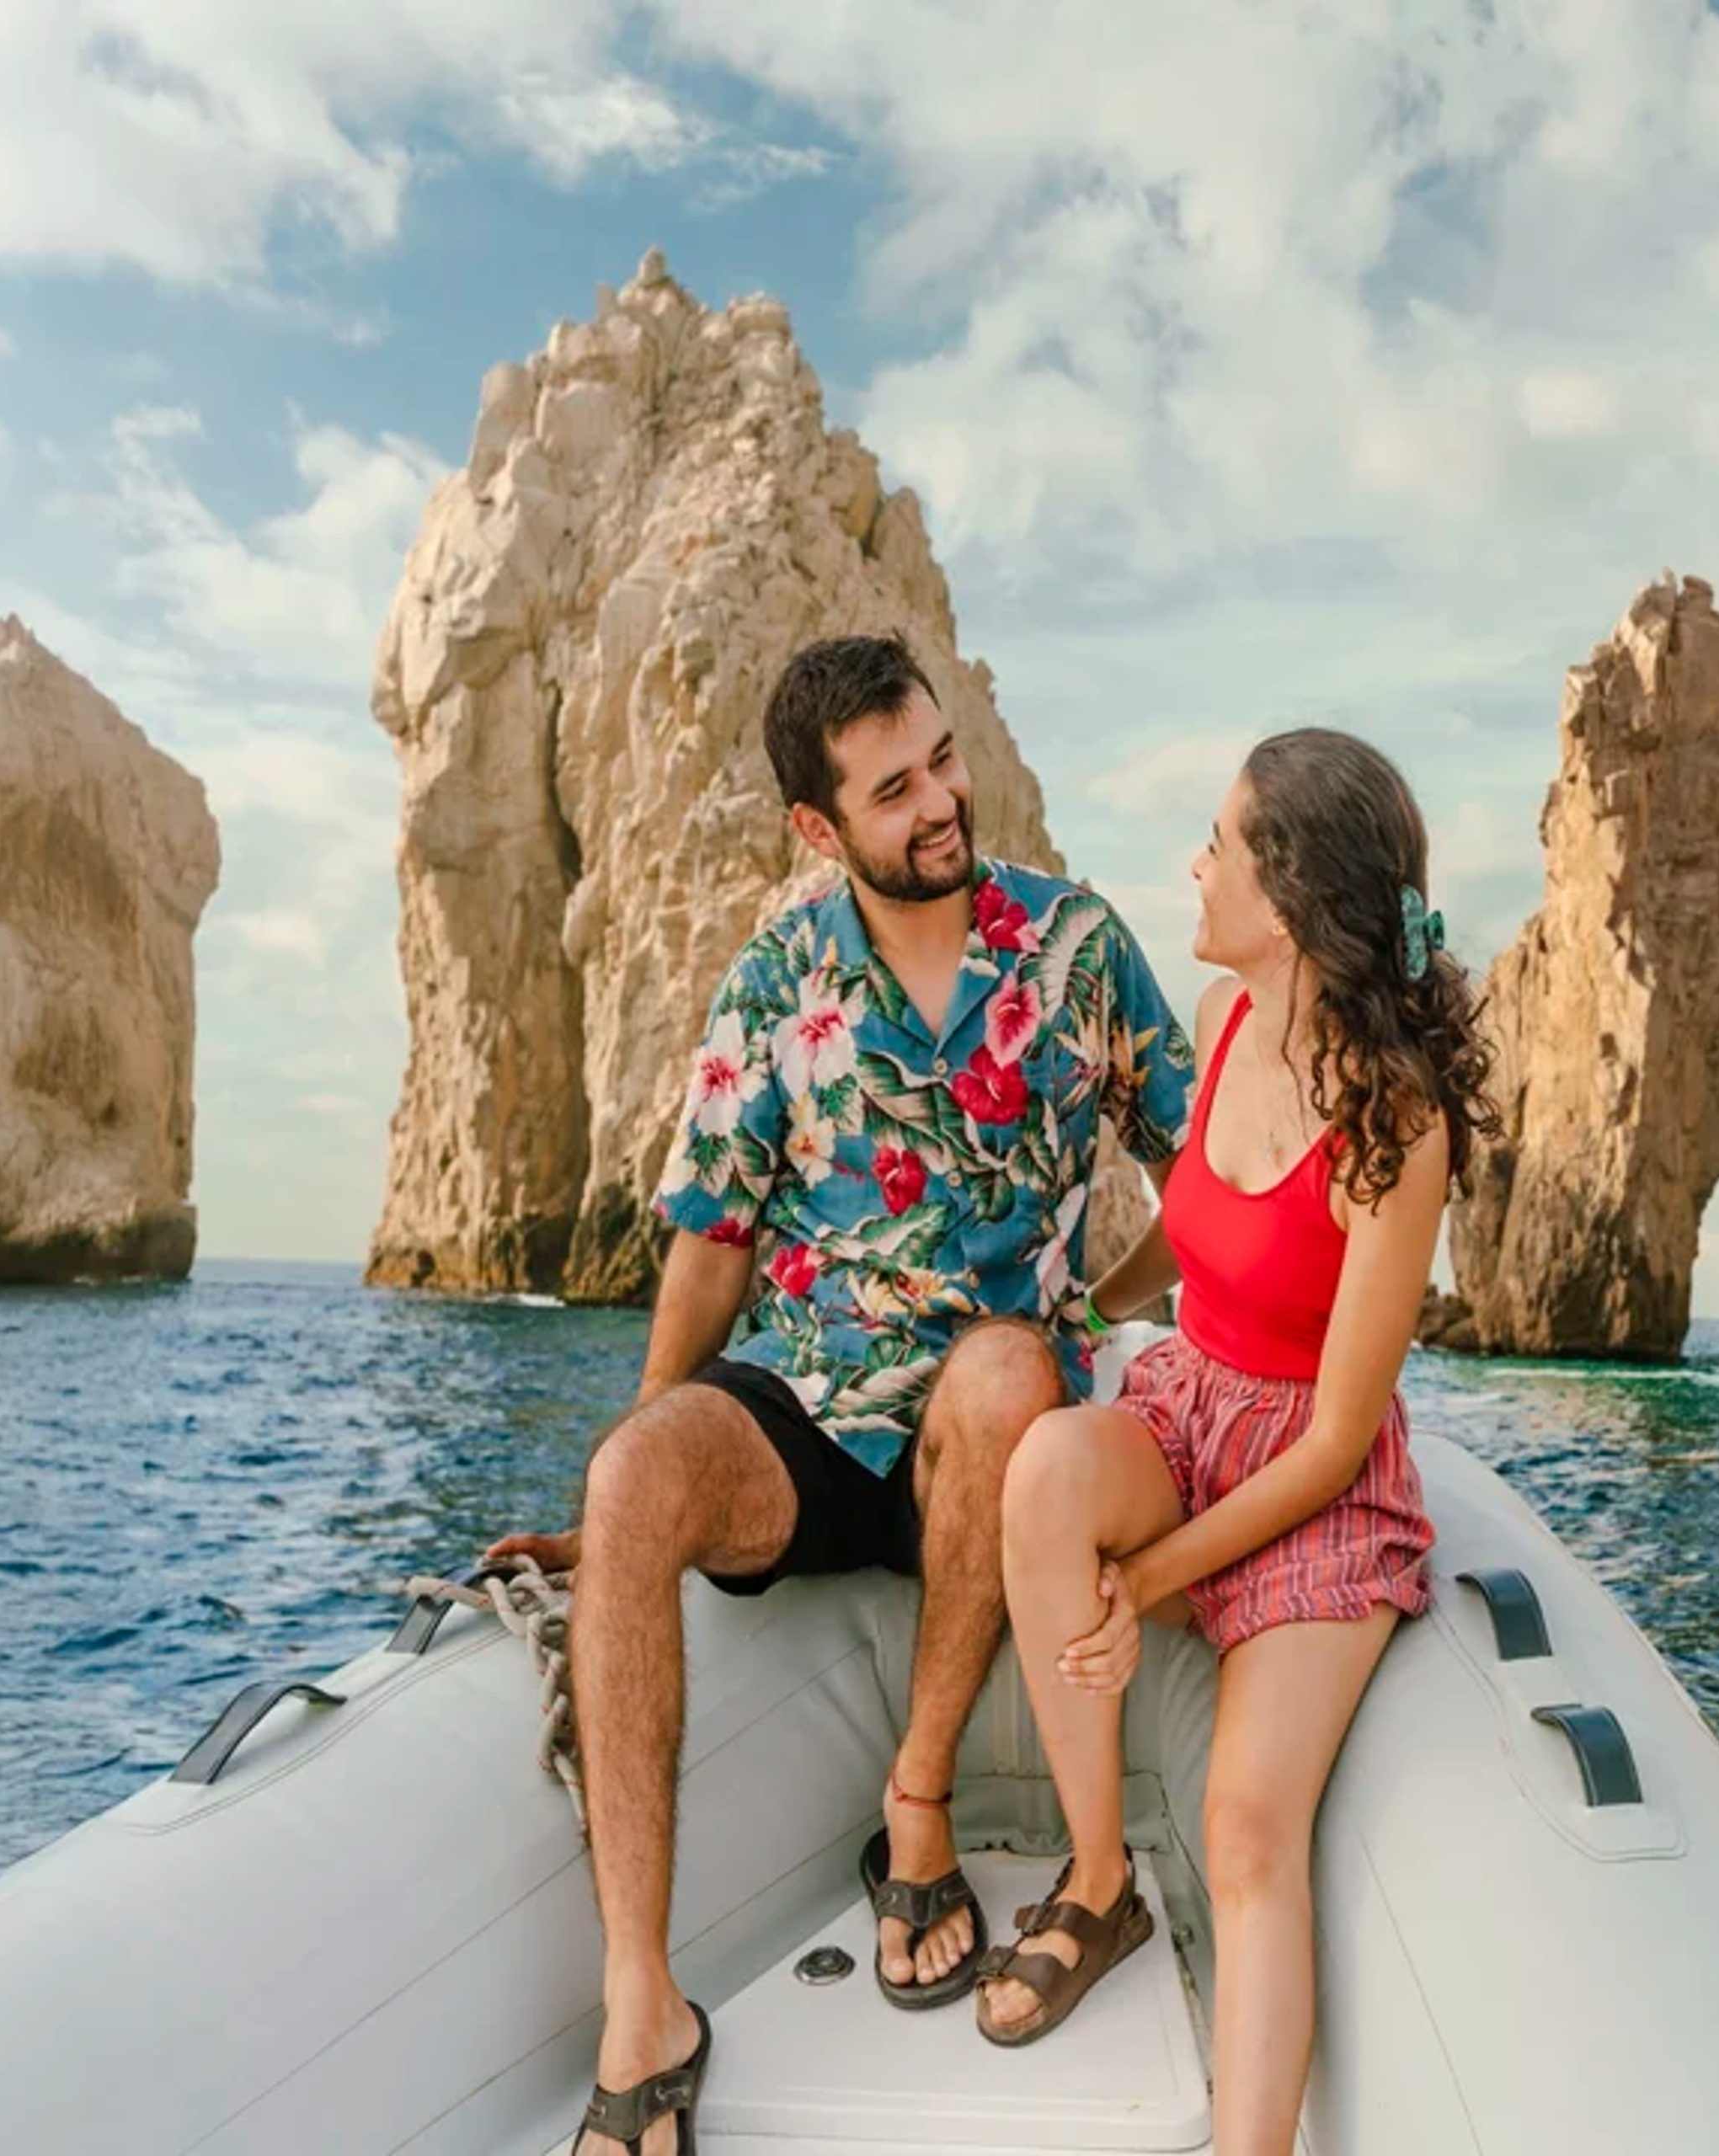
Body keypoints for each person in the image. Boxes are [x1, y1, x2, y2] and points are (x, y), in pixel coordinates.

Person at [481, 632, 1196, 2156]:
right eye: (896, 787)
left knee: (1007, 1368)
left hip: (996, 1430)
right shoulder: (777, 980)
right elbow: (711, 1240)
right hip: (810, 1404)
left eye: (942, 758)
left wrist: (1108, 1305)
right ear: (821, 828)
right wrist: (623, 1486)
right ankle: (642, 2010)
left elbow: (1208, 1174)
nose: (943, 799)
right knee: (633, 1481)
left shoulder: (1078, 949)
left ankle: (917, 1806)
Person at [979, 728, 1496, 2155]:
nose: (1194, 867)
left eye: (1218, 843)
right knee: (1045, 1472)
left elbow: (1334, 1442)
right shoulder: (1217, 1027)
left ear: (1286, 898)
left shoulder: (1399, 1119)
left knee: (1251, 1830)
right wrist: (1089, 1297)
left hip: (1312, 1487)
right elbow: (1191, 1240)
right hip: (1190, 1400)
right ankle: (1096, 1886)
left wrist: (1147, 1587)